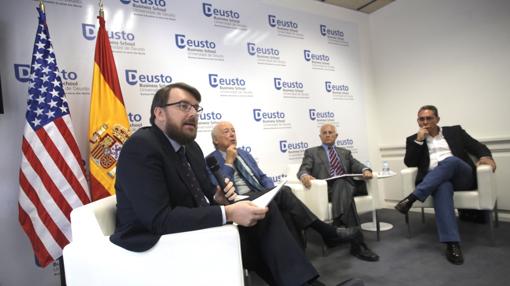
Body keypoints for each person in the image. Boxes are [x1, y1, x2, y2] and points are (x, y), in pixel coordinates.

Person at [110, 83, 364, 286]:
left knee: (267, 211)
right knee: (258, 227)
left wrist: (221, 198)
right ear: (159, 113)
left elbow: (207, 195)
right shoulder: (142, 146)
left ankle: (305, 282)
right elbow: (158, 219)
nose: (192, 114)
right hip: (156, 240)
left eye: (196, 108)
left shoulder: (191, 149)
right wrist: (227, 212)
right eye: (183, 106)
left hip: (190, 228)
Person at [208, 121, 360, 250]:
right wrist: (228, 161)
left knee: (285, 206)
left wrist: (272, 190)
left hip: (259, 194)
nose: (232, 134)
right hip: (239, 202)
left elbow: (261, 176)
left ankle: (299, 256)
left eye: (233, 131)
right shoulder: (210, 160)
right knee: (285, 193)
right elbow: (219, 191)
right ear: (215, 140)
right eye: (226, 132)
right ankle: (326, 231)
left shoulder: (244, 154)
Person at [394, 105, 496, 265]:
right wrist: (419, 141)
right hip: (436, 180)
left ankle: (413, 197)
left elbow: (478, 147)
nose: (425, 122)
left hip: (462, 176)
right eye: (421, 119)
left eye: (429, 118)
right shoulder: (413, 139)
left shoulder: (455, 132)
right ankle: (452, 243)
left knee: (451, 161)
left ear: (437, 119)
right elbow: (410, 163)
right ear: (417, 121)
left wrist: (486, 157)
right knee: (442, 187)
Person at [297, 123, 379, 262]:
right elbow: (304, 168)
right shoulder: (312, 152)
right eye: (324, 133)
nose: (327, 134)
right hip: (327, 189)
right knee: (344, 187)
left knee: (344, 183)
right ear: (320, 136)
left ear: (336, 136)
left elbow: (357, 165)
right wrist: (304, 175)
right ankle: (358, 245)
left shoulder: (345, 152)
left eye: (330, 132)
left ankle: (336, 226)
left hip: (346, 187)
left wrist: (365, 169)